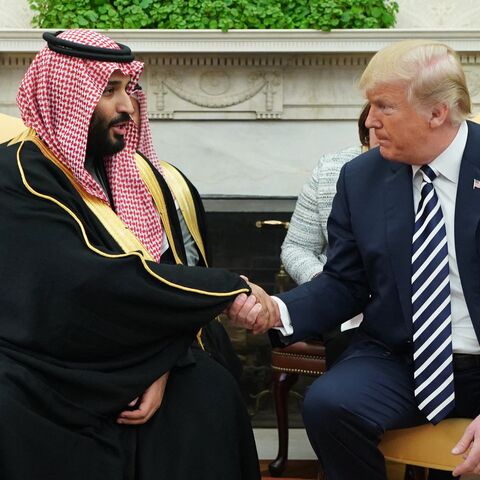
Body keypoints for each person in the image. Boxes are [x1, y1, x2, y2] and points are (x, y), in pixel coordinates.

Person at [0, 30, 260, 480]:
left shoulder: (143, 178)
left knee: (206, 391)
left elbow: (171, 272)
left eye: (128, 89)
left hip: (144, 342)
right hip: (40, 355)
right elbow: (85, 283)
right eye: (108, 90)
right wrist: (230, 288)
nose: (127, 107)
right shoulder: (20, 174)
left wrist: (157, 364)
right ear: (66, 99)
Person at [228, 39, 480, 479]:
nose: (370, 121)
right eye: (368, 106)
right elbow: (345, 283)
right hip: (403, 358)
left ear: (437, 112)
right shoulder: (362, 177)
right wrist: (278, 309)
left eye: (384, 106)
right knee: (330, 404)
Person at [281, 103, 375, 366]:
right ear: (366, 134)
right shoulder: (332, 169)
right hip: (343, 307)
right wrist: (325, 281)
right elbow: (296, 247)